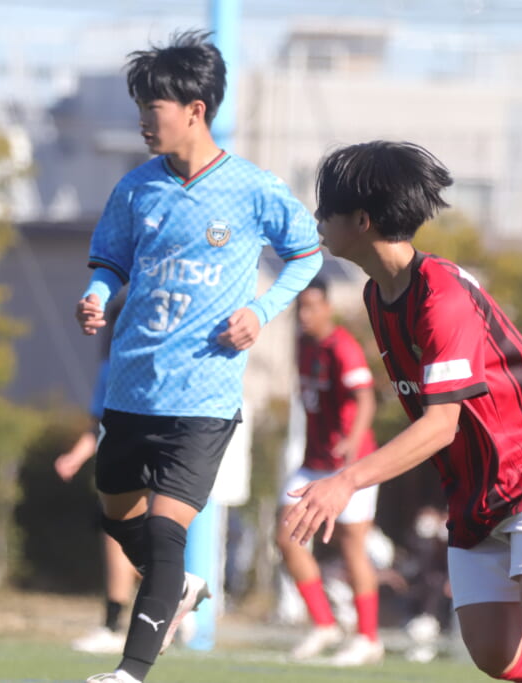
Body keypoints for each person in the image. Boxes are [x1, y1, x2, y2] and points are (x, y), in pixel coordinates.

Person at [284, 140, 522, 681]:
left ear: (361, 220)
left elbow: (440, 424)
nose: (317, 219)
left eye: (326, 208)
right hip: (472, 488)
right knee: (498, 657)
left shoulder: (442, 295)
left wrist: (347, 481)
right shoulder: (377, 295)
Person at [75, 30, 323, 683]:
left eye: (151, 107)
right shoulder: (136, 189)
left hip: (204, 397)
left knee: (165, 532)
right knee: (116, 510)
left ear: (195, 109)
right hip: (132, 384)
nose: (142, 120)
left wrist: (262, 311)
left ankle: (130, 671)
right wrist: (96, 296)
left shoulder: (252, 188)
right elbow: (109, 262)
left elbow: (307, 255)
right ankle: (178, 586)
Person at [274, 278, 382, 663]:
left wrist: (352, 440)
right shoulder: (303, 344)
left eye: (311, 307)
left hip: (351, 466)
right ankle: (324, 624)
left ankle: (368, 638)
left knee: (352, 546)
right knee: (287, 538)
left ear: (327, 309)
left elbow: (366, 398)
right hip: (313, 464)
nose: (304, 315)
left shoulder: (342, 347)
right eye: (299, 307)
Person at [55, 296, 140, 655]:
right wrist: (74, 458)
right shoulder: (113, 368)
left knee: (130, 539)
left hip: (147, 461)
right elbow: (99, 426)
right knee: (132, 541)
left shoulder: (131, 365)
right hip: (132, 461)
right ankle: (161, 605)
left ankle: (118, 623)